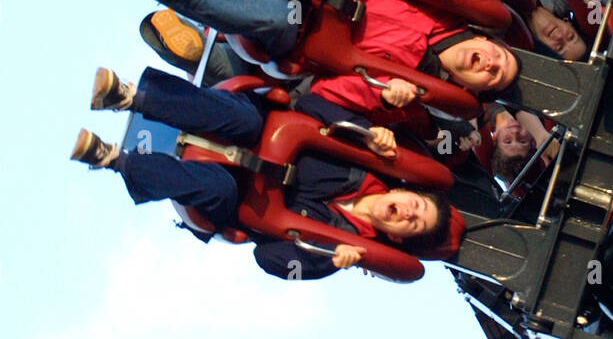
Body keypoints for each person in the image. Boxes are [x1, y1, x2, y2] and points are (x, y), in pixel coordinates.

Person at [72, 66, 451, 278]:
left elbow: (269, 260)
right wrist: (366, 133)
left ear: (398, 239)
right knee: (243, 117)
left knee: (217, 189)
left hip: (239, 197)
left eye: (413, 223)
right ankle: (129, 98)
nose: (408, 212)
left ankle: (111, 159)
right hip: (257, 129)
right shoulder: (369, 159)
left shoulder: (342, 248)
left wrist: (328, 260)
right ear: (405, 191)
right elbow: (315, 102)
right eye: (416, 204)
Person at [127, 0, 520, 114]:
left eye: (492, 77)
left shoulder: (415, 92)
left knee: (274, 28)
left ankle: (185, 5)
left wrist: (382, 97)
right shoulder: (445, 10)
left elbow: (328, 95)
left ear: (472, 90)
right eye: (498, 58)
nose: (489, 64)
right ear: (487, 40)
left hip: (302, 39)